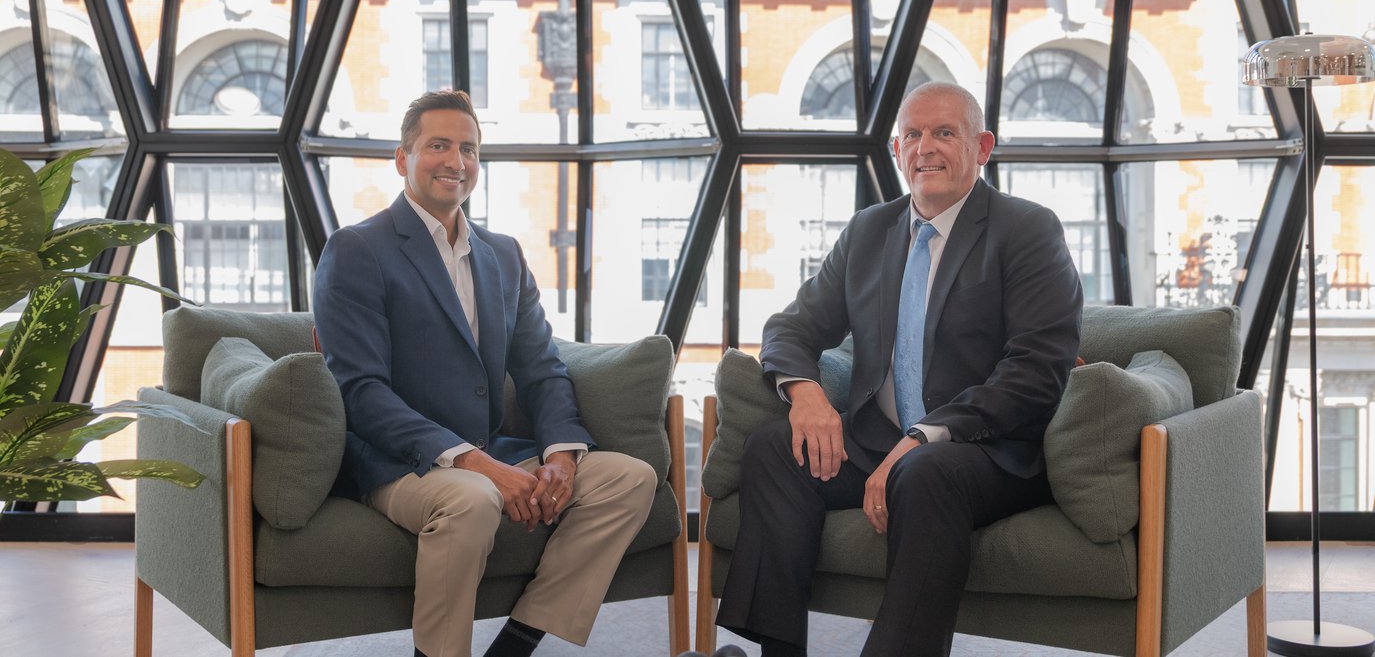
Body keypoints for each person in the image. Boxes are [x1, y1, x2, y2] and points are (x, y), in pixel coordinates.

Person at [714, 82, 1084, 656]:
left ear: (982, 147)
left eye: (944, 133)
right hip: (879, 439)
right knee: (774, 447)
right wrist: (806, 393)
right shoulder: (869, 231)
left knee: (925, 472)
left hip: (990, 450)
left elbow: (1037, 371)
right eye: (912, 134)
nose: (925, 147)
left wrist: (923, 437)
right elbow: (791, 327)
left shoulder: (1027, 229)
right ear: (896, 150)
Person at [313, 89, 656, 657]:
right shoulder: (356, 249)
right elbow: (361, 391)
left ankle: (515, 645)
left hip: (493, 448)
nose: (456, 161)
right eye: (438, 146)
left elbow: (542, 369)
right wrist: (479, 466)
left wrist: (561, 455)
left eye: (468, 149)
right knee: (472, 499)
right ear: (402, 158)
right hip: (399, 461)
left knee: (629, 478)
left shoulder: (504, 254)